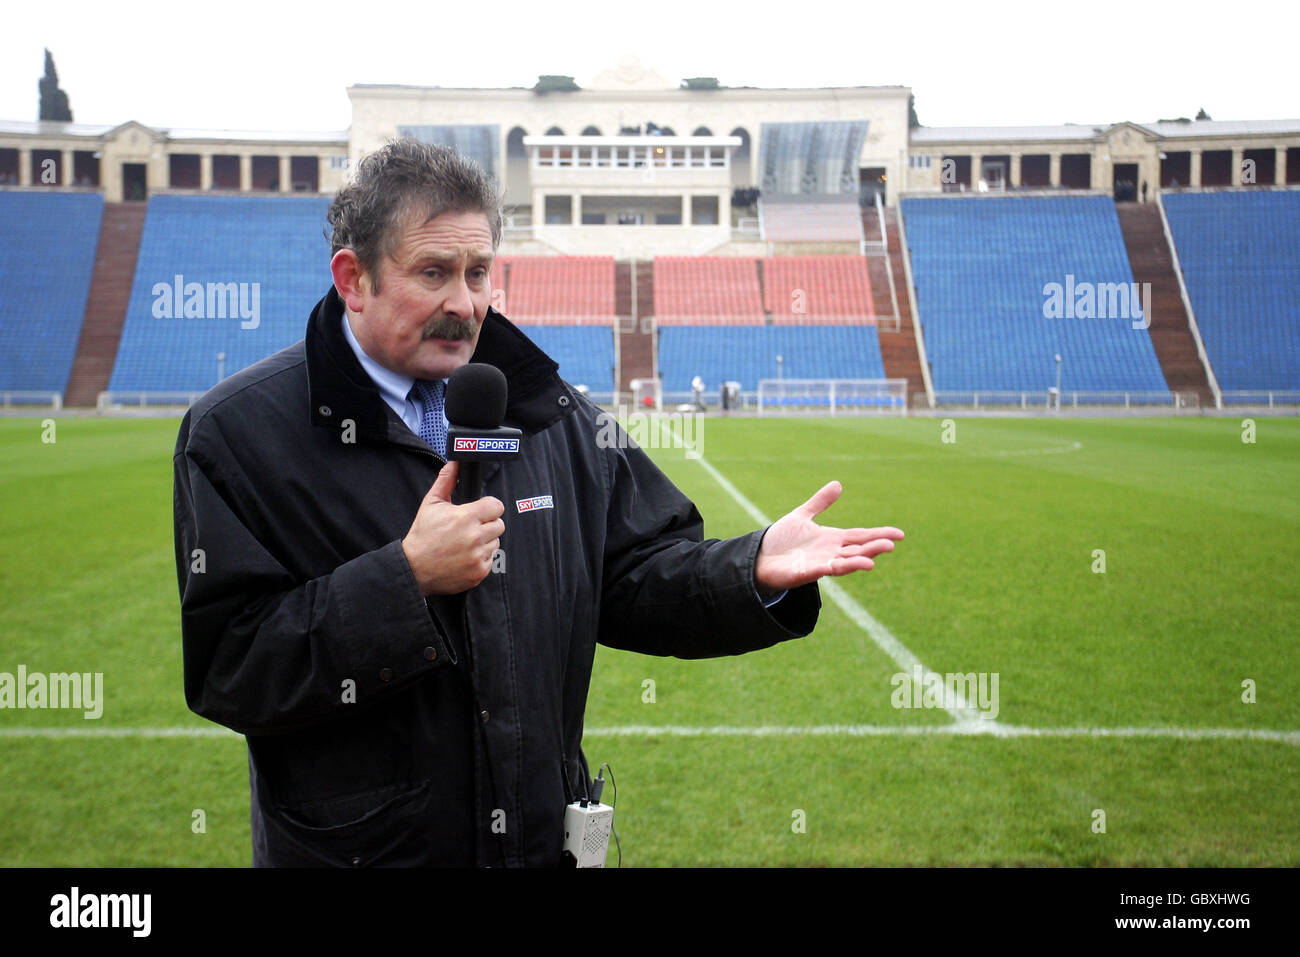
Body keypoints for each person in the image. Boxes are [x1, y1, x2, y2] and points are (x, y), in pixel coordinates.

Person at [173, 138, 904, 867]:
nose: (464, 302)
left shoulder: (552, 415)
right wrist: (406, 578)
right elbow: (231, 668)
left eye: (478, 271)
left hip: (533, 845)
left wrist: (751, 568)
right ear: (353, 278)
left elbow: (633, 573)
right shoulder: (239, 435)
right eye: (433, 272)